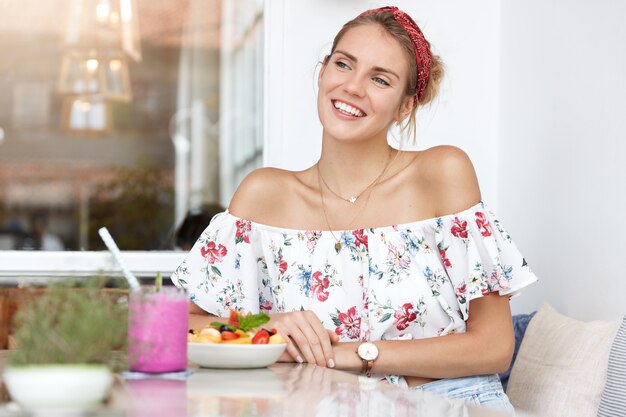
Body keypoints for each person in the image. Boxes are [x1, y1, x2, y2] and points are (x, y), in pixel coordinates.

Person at [172, 6, 537, 411]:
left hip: (448, 401)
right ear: (322, 72)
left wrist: (353, 353)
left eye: (380, 79)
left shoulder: (442, 173)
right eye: (344, 64)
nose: (353, 87)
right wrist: (267, 328)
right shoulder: (263, 194)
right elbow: (183, 327)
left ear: (405, 106)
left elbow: (494, 346)